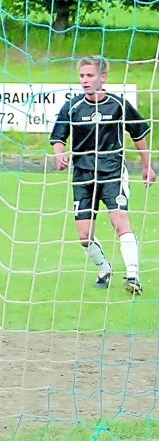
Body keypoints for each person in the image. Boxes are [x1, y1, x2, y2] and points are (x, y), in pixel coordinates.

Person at [50, 55, 156, 296]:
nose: (85, 80)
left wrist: (148, 166)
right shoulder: (73, 106)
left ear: (103, 77)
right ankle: (104, 268)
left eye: (90, 75)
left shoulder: (118, 105)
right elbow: (58, 137)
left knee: (120, 221)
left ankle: (133, 276)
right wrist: (59, 154)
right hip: (83, 176)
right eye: (82, 76)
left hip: (112, 173)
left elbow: (138, 135)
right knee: (84, 235)